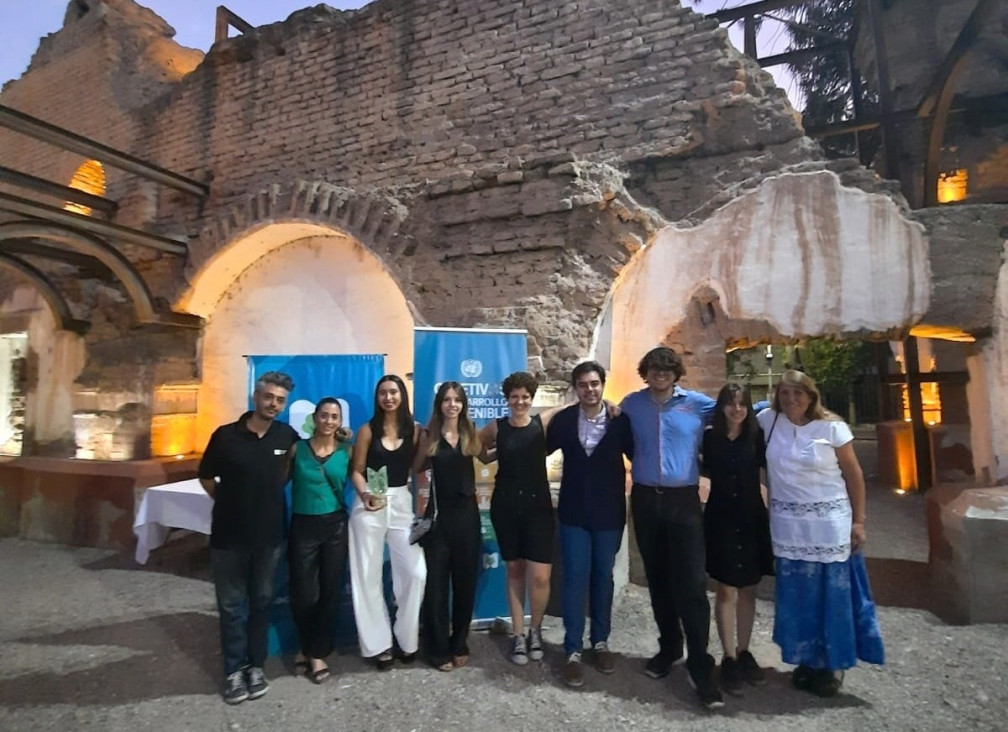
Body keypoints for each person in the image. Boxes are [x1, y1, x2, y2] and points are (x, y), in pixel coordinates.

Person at [756, 370, 884, 697]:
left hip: (830, 526)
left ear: (811, 396)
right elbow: (727, 415)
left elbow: (854, 475)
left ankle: (832, 663)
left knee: (832, 598)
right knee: (799, 597)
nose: (791, 400)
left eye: (798, 393)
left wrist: (859, 521)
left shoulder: (832, 427)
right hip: (788, 526)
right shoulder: (768, 421)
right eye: (785, 393)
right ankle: (806, 659)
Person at [619, 347, 724, 710]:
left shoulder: (697, 404)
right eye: (653, 368)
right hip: (647, 499)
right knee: (658, 579)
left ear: (675, 372)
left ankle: (700, 661)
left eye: (666, 369)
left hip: (683, 502)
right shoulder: (632, 405)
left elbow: (737, 411)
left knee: (693, 583)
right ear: (645, 372)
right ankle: (669, 646)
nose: (660, 374)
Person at [198, 371, 299, 704]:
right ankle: (232, 672)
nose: (274, 404)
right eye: (269, 397)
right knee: (230, 607)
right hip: (228, 538)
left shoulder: (287, 436)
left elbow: (286, 473)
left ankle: (255, 667)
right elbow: (206, 477)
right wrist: (229, 502)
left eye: (280, 400)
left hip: (269, 539)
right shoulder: (225, 436)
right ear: (256, 396)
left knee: (261, 604)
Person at [545, 361, 634, 688]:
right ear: (575, 388)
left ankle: (600, 642)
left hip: (609, 514)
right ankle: (572, 650)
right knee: (573, 578)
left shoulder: (619, 421)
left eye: (594, 384)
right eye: (583, 384)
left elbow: (639, 453)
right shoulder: (565, 421)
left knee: (603, 578)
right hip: (574, 514)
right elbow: (539, 441)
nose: (590, 389)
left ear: (603, 385)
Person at [348, 375, 427, 670]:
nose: (388, 397)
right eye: (383, 392)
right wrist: (365, 493)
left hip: (402, 502)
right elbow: (356, 470)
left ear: (402, 396)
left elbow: (416, 467)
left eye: (393, 392)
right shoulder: (367, 430)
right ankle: (378, 645)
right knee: (366, 575)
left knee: (416, 572)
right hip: (370, 500)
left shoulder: (416, 431)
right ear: (377, 397)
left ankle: (406, 639)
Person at [479, 371, 555, 666]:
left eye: (525, 396)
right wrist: (499, 454)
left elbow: (568, 408)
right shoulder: (497, 427)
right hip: (506, 505)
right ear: (507, 399)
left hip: (538, 507)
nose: (520, 401)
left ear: (531, 398)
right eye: (515, 396)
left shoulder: (541, 423)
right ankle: (519, 634)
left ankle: (536, 629)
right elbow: (479, 450)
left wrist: (610, 403)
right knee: (514, 569)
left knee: (540, 575)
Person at [701, 383, 773, 695]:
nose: (737, 408)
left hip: (751, 516)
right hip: (721, 517)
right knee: (726, 590)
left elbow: (772, 472)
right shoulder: (709, 437)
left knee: (748, 588)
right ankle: (728, 656)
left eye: (742, 403)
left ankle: (745, 652)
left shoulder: (756, 438)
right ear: (723, 407)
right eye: (731, 403)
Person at [413, 382, 482, 672]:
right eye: (446, 400)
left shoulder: (471, 434)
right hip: (438, 520)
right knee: (437, 588)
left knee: (465, 585)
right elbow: (414, 468)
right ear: (439, 404)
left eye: (457, 400)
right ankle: (438, 648)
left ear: (463, 404)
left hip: (468, 518)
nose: (452, 404)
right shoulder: (428, 436)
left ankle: (459, 642)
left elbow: (490, 455)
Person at [286, 398, 353, 685]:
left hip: (335, 525)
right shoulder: (296, 449)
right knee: (304, 593)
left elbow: (365, 478)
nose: (328, 420)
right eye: (324, 415)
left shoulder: (347, 452)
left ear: (340, 421)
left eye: (334, 416)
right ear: (315, 418)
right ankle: (305, 644)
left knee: (329, 591)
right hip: (303, 525)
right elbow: (276, 481)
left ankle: (317, 653)